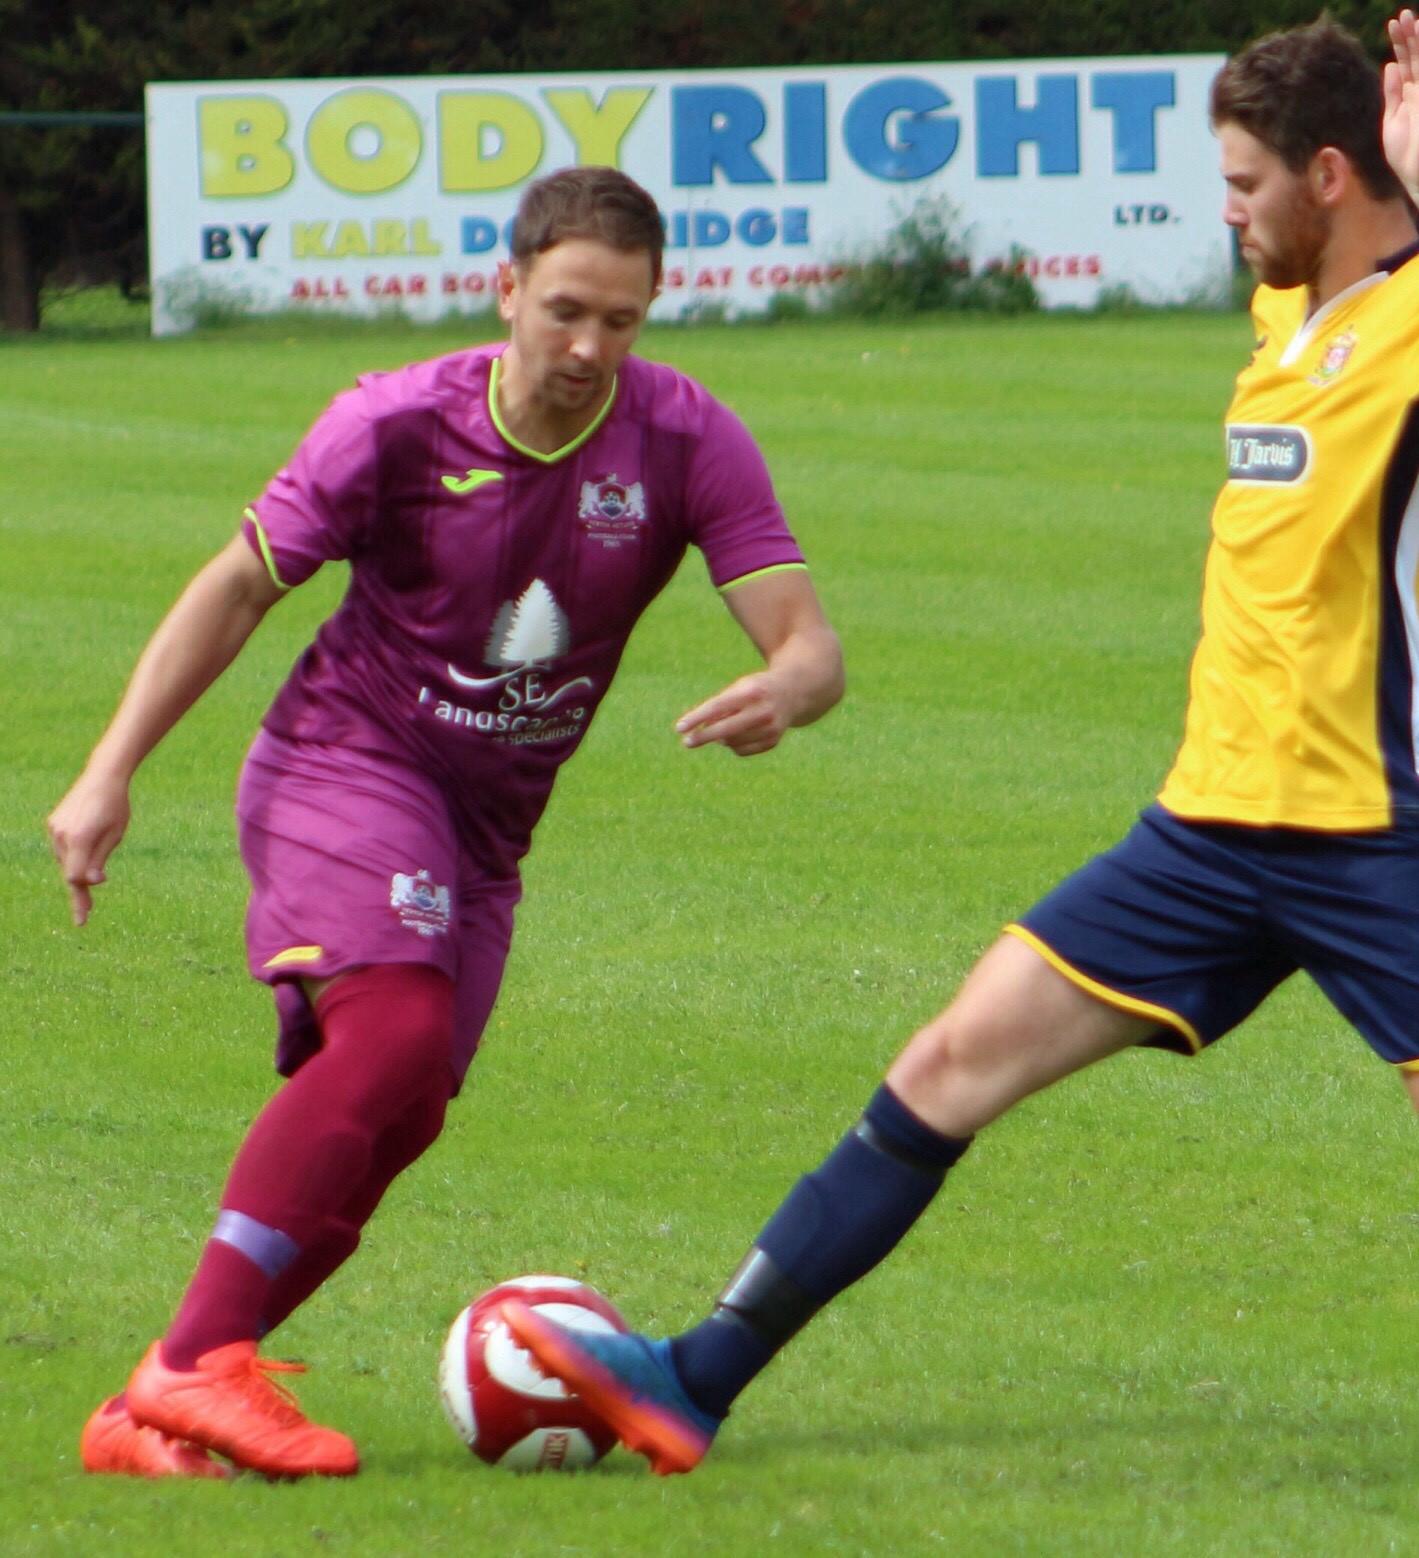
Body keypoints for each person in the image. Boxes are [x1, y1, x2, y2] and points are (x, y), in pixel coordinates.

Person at [502, 14, 1419, 1487]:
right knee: (946, 1065)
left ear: (1332, 174)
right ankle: (697, 1375)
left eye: (1246, 180)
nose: (1228, 207)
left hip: (1380, 836)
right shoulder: (1283, 313)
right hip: (1204, 830)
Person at [48, 166, 844, 1480]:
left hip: (489, 831)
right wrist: (109, 768)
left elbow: (808, 641)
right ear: (508, 288)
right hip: (344, 760)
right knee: (398, 1022)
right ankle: (195, 1361)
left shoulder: (686, 437)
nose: (591, 348)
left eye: (623, 321)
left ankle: (148, 1413)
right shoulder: (395, 424)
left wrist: (794, 689)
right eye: (567, 311)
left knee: (408, 1104)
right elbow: (238, 586)